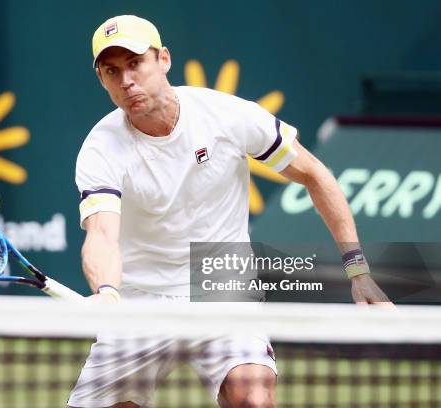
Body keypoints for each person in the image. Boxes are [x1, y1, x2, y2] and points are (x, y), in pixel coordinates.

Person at [67, 15, 391, 408]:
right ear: (101, 79)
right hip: (139, 299)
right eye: (112, 71)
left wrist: (357, 269)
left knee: (252, 398)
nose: (127, 81)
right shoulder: (101, 147)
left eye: (136, 63)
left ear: (163, 59)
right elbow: (102, 234)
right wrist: (106, 292)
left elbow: (315, 174)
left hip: (222, 288)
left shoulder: (225, 115)